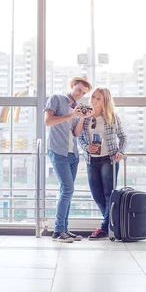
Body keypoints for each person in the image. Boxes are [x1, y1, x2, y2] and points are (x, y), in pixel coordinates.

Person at [74, 87, 127, 240]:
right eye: (93, 97)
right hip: (91, 160)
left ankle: (104, 228)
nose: (94, 100)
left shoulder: (112, 117)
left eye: (98, 98)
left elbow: (123, 137)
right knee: (97, 195)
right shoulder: (85, 117)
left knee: (108, 194)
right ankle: (112, 224)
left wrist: (121, 151)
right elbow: (80, 138)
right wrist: (87, 147)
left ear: (105, 101)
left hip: (109, 159)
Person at [44, 76, 92, 243]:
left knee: (67, 192)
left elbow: (77, 134)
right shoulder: (56, 98)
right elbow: (48, 121)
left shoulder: (77, 107)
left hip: (73, 154)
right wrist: (72, 114)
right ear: (72, 86)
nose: (80, 94)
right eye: (78, 89)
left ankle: (64, 229)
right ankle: (57, 232)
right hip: (58, 151)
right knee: (67, 189)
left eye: (84, 93)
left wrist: (83, 117)